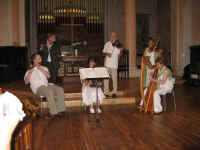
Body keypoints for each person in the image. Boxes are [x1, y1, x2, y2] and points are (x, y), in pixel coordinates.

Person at [24, 53, 67, 118]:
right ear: (33, 60)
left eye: (39, 58)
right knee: (48, 91)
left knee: (60, 89)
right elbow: (26, 82)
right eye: (37, 58)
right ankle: (53, 112)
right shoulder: (28, 71)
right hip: (38, 88)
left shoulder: (44, 68)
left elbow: (48, 76)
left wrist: (40, 69)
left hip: (47, 85)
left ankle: (61, 110)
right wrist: (31, 71)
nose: (38, 60)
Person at [103, 32, 122, 98]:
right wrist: (107, 54)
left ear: (116, 37)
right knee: (106, 79)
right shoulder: (107, 44)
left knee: (114, 79)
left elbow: (119, 55)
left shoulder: (118, 45)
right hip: (107, 64)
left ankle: (114, 92)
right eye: (112, 35)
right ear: (110, 36)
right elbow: (103, 52)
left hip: (114, 64)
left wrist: (120, 52)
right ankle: (106, 92)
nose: (113, 37)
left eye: (114, 36)